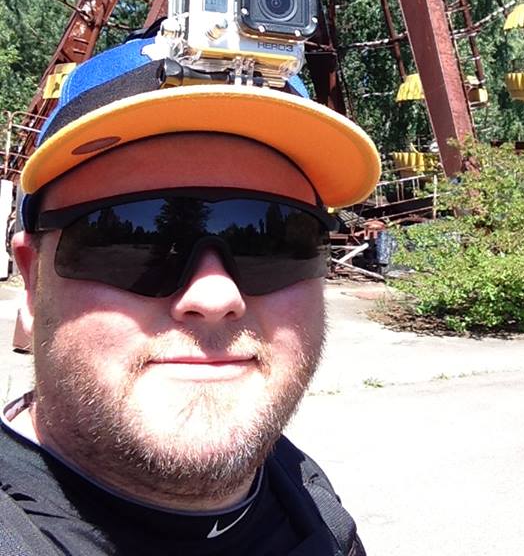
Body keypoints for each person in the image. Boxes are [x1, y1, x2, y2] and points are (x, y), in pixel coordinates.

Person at [2, 35, 381, 554]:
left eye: (272, 238)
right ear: (32, 280)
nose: (215, 293)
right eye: (134, 235)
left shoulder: (310, 504)